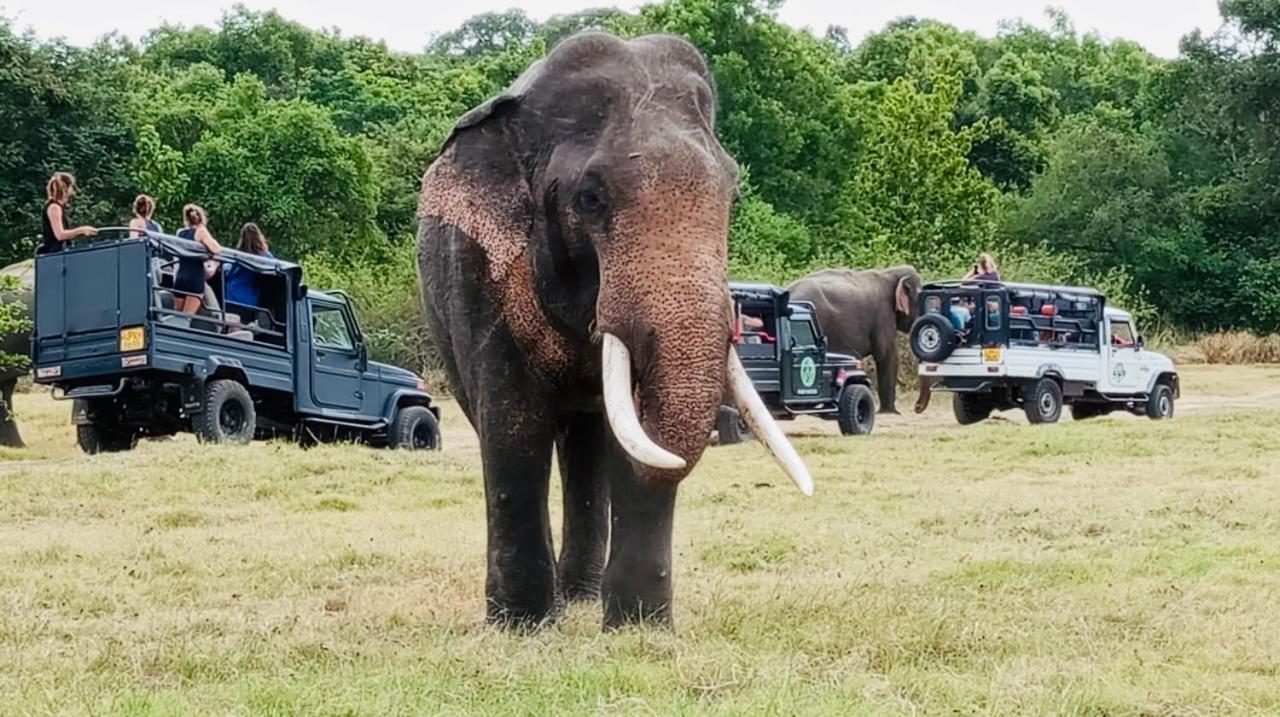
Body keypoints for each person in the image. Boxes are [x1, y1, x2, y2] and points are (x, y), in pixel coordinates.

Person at [174, 204, 222, 314]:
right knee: (187, 317)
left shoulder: (181, 233)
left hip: (180, 277)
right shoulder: (201, 231)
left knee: (176, 316)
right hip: (194, 279)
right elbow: (216, 249)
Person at [40, 172, 97, 253]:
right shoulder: (54, 207)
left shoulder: (58, 207)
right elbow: (60, 235)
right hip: (56, 254)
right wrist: (81, 230)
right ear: (66, 189)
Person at [224, 223, 273, 311]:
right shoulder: (266, 257)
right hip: (250, 300)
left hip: (231, 296)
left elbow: (229, 273)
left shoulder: (238, 255)